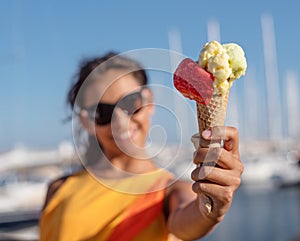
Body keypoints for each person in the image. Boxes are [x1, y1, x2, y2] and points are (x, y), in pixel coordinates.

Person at [39, 51, 244, 241]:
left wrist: (211, 207)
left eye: (129, 104)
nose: (120, 122)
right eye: (102, 112)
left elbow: (191, 218)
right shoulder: (58, 188)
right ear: (85, 121)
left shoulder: (169, 193)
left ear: (149, 101)